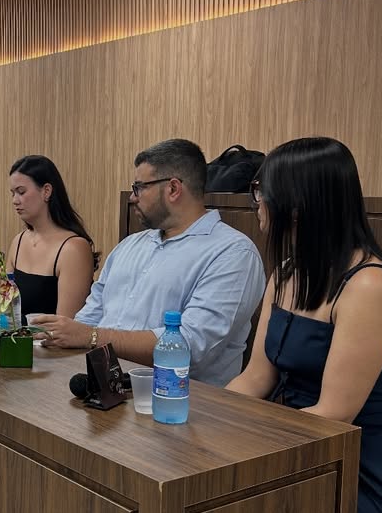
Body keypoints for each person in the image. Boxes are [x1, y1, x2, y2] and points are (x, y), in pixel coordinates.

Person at [225, 137, 382, 513]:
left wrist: (248, 448)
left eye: (261, 191)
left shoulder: (369, 287)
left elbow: (332, 416)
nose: (258, 203)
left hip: (367, 478)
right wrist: (204, 420)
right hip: (300, 451)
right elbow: (255, 379)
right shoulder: (287, 274)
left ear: (298, 206)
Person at [34, 139, 264, 386]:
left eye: (139, 187)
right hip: (102, 388)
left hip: (178, 399)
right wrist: (61, 334)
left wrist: (92, 337)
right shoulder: (129, 246)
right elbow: (88, 319)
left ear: (173, 188)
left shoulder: (232, 253)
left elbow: (189, 346)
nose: (133, 197)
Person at [0, 155, 96, 322]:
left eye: (21, 192)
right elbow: (2, 309)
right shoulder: (18, 241)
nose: (15, 201)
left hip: (50, 338)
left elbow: (64, 326)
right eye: (12, 193)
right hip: (13, 334)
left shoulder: (74, 248)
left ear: (46, 191)